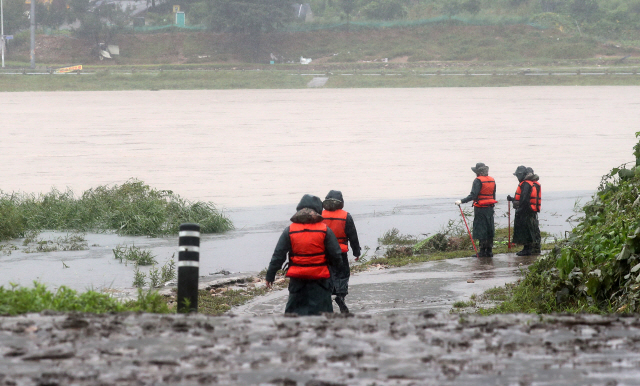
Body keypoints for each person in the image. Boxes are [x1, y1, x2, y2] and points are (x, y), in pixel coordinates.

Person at [265, 194, 343, 316]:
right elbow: (336, 255)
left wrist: (270, 275)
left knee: (294, 317)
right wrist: (335, 273)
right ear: (318, 211)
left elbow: (278, 255)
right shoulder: (325, 230)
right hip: (321, 281)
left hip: (298, 282)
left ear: (299, 209)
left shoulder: (289, 230)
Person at [321, 190, 361, 314]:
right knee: (342, 275)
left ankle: (327, 299)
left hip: (324, 253)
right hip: (340, 252)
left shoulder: (319, 215)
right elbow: (352, 236)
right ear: (341, 202)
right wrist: (356, 252)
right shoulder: (346, 216)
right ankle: (340, 296)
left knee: (327, 276)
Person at [455, 162, 497, 257]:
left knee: (481, 229)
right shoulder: (492, 180)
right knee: (489, 229)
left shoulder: (477, 181)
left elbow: (473, 195)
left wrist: (461, 201)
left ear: (478, 172)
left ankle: (482, 251)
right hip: (490, 208)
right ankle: (489, 251)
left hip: (480, 209)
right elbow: (493, 195)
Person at [507, 166, 541, 256]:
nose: (517, 178)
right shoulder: (532, 183)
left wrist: (520, 210)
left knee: (526, 230)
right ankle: (534, 248)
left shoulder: (526, 184)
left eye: (517, 175)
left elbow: (524, 199)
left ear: (520, 175)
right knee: (532, 229)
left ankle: (527, 249)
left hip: (525, 211)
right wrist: (512, 199)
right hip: (531, 210)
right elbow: (524, 198)